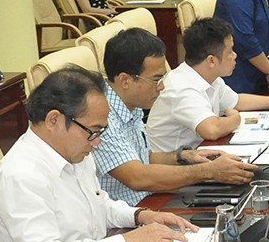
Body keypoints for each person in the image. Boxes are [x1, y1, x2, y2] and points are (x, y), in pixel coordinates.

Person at [0, 66, 194, 242]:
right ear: (54, 120)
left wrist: (140, 216)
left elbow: (100, 204)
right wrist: (128, 241)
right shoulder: (20, 176)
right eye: (93, 131)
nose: (96, 143)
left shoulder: (74, 152)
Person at [94, 28, 256, 205]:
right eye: (156, 79)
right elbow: (137, 177)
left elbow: (142, 158)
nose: (162, 87)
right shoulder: (101, 117)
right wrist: (208, 171)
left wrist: (184, 157)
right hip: (128, 213)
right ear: (125, 80)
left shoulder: (131, 106)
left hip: (150, 197)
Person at [146, 18, 269, 153]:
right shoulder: (182, 87)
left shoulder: (207, 76)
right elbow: (212, 130)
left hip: (198, 154)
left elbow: (237, 101)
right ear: (211, 60)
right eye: (230, 52)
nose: (235, 55)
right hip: (173, 171)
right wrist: (235, 118)